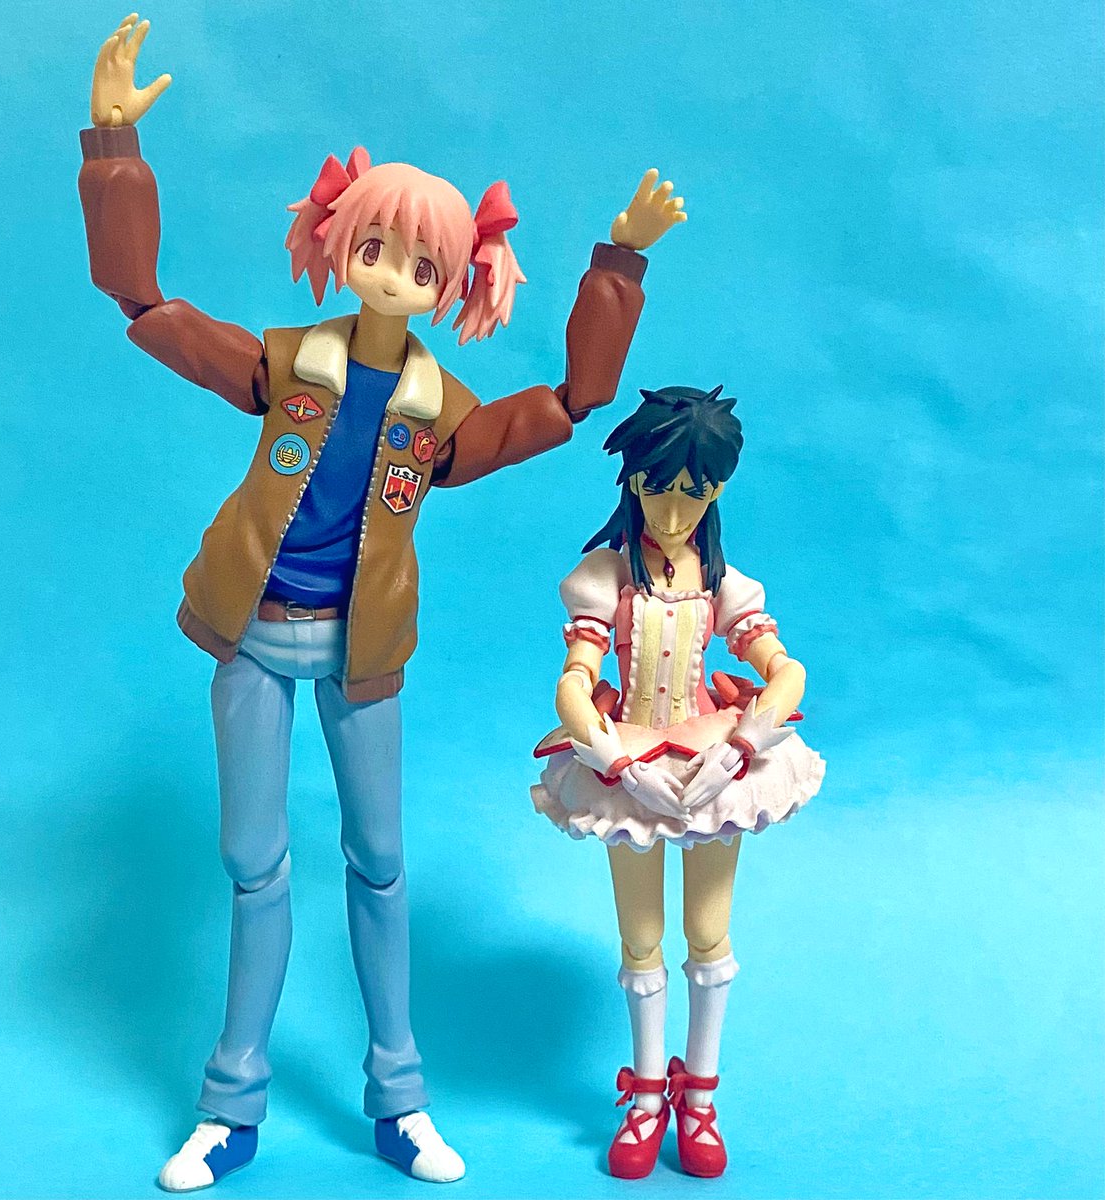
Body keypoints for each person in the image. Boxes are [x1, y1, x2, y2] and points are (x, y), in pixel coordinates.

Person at [78, 13, 687, 1191]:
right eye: (377, 249)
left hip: (361, 655)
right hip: (254, 640)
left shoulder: (437, 409)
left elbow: (567, 405)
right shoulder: (284, 362)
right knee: (253, 864)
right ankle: (231, 1103)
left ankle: (399, 1098)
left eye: (423, 266)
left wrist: (618, 264)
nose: (395, 275)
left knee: (383, 864)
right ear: (337, 241)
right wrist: (112, 149)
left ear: (451, 284)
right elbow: (144, 305)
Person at [531, 385, 825, 1179]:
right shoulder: (607, 576)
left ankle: (699, 1096)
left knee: (708, 928)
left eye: (692, 492)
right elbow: (574, 682)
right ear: (632, 479)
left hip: (708, 756)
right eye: (657, 487)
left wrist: (741, 747)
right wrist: (617, 764)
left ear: (717, 490)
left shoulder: (723, 583)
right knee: (640, 936)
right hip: (630, 754)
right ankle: (647, 1096)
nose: (670, 512)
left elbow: (787, 672)